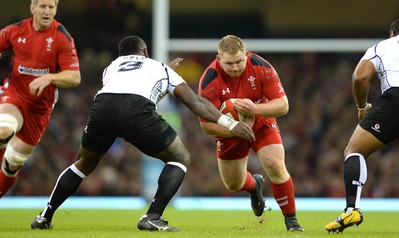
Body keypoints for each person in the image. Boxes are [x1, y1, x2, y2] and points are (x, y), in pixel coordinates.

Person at [30, 35, 255, 232]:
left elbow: (130, 89)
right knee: (180, 158)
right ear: (145, 52)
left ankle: (44, 216)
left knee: (82, 164)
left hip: (102, 107)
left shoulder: (111, 67)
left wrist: (160, 80)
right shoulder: (159, 67)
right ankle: (153, 216)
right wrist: (231, 124)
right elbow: (195, 102)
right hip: (135, 110)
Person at [197, 35, 304, 232]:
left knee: (275, 164)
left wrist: (254, 111)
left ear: (246, 55)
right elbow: (206, 125)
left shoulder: (262, 67)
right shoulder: (209, 81)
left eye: (239, 61)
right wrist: (234, 128)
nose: (235, 67)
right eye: (229, 63)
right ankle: (254, 186)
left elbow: (283, 105)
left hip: (261, 121)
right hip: (229, 130)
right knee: (233, 184)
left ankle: (292, 221)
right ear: (218, 59)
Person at [325, 18, 399, 233]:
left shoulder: (382, 47)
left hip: (395, 101)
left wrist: (361, 106)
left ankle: (352, 210)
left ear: (392, 33)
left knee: (354, 150)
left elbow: (360, 77)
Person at [0, 0, 80, 197]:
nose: (47, 11)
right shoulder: (15, 31)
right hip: (15, 95)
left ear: (55, 10)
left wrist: (49, 77)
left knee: (12, 164)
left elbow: (75, 77)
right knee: (3, 130)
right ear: (32, 8)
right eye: (42, 6)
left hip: (40, 110)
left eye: (51, 7)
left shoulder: (61, 37)